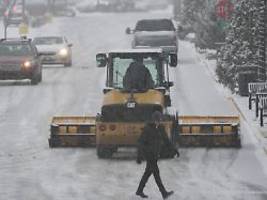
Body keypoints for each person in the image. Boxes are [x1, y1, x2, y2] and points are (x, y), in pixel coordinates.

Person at [136, 111, 179, 199]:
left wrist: (174, 150)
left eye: (159, 120)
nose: (158, 122)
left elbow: (167, 141)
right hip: (149, 155)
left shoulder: (161, 128)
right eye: (156, 120)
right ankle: (164, 193)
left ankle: (139, 191)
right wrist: (139, 156)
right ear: (153, 120)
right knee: (156, 174)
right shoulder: (147, 129)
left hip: (155, 154)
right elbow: (140, 142)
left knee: (148, 173)